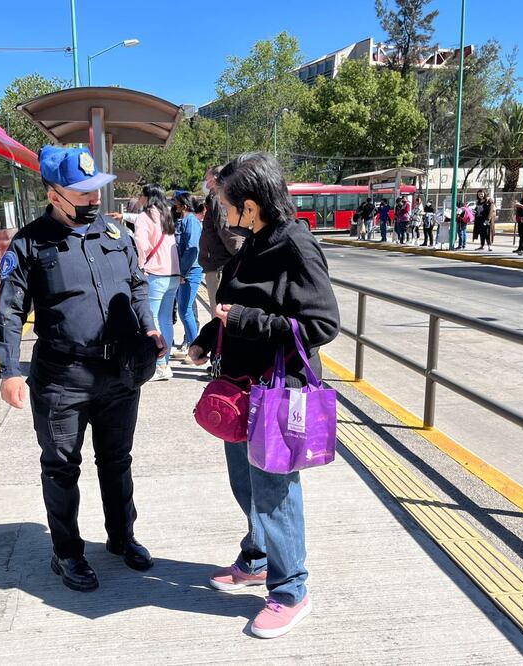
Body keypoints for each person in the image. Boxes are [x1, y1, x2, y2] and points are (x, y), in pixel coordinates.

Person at [0, 146, 166, 593]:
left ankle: (121, 536)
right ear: (53, 194)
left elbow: (137, 285)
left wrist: (149, 330)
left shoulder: (115, 232)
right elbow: (11, 311)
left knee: (116, 461)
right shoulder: (29, 244)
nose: (93, 200)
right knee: (61, 468)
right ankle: (67, 552)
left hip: (120, 375)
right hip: (61, 380)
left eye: (96, 190)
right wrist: (9, 369)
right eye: (82, 192)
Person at [187, 152, 340, 639]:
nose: (220, 211)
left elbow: (321, 324)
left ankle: (291, 589)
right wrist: (208, 338)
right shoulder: (252, 243)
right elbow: (235, 307)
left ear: (250, 206)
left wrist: (243, 322)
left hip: (276, 394)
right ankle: (255, 559)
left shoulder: (296, 245)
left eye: (226, 203)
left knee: (274, 494)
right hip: (239, 391)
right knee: (246, 485)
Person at [134, 184, 181, 381]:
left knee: (150, 322)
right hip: (173, 275)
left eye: (141, 195)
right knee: (165, 321)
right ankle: (166, 362)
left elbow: (141, 242)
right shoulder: (166, 215)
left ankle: (159, 365)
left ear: (146, 197)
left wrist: (140, 264)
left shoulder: (145, 217)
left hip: (155, 273)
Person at [198, 166, 249, 319]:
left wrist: (240, 255)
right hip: (219, 264)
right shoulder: (217, 198)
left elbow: (227, 230)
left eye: (207, 179)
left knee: (219, 315)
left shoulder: (219, 199)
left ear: (215, 178)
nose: (205, 184)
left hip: (220, 266)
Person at [172, 191, 203, 360]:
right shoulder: (184, 221)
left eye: (176, 204)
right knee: (187, 310)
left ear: (184, 206)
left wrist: (182, 272)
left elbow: (192, 248)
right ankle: (194, 348)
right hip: (184, 272)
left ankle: (196, 350)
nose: (173, 206)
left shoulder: (190, 221)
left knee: (185, 311)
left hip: (189, 272)